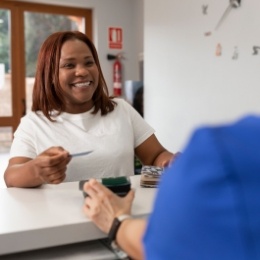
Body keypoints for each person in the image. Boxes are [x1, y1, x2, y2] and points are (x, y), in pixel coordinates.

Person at [4, 31, 177, 188]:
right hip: (61, 221)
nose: (82, 71)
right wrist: (36, 170)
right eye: (69, 65)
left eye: (89, 62)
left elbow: (156, 155)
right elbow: (11, 176)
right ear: (49, 75)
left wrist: (170, 162)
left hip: (120, 214)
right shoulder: (33, 124)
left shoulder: (122, 110)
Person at [83, 115, 260, 260]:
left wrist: (118, 222)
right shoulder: (230, 150)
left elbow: (168, 247)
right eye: (69, 67)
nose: (81, 71)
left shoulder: (218, 153)